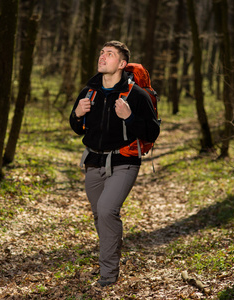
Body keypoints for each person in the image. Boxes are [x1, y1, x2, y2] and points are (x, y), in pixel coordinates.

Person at [69, 41, 160, 287]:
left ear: (121, 64)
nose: (102, 57)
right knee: (100, 214)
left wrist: (129, 117)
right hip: (93, 161)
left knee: (108, 210)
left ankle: (108, 276)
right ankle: (113, 252)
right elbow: (77, 128)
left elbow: (152, 132)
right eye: (101, 53)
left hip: (124, 161)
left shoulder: (136, 95)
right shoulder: (89, 91)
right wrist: (77, 114)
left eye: (109, 54)